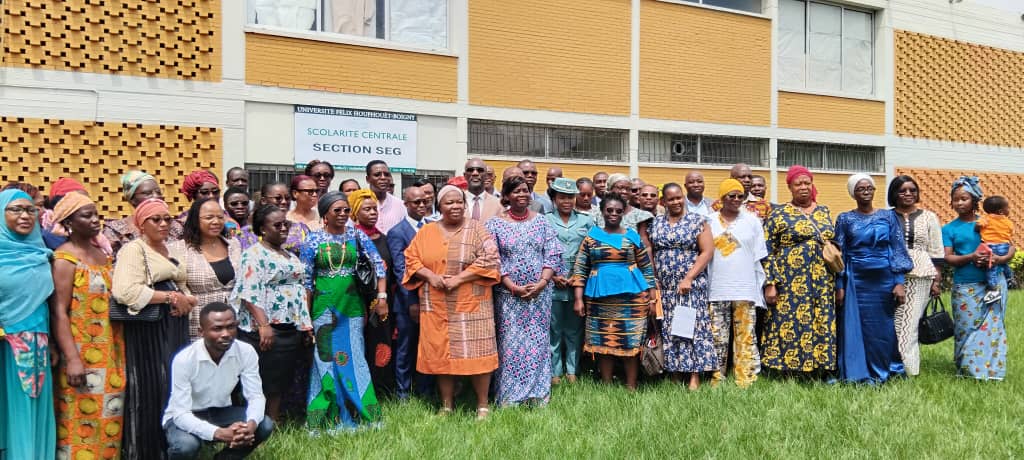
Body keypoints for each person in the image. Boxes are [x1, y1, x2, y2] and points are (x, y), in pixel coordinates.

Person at [402, 184, 501, 419]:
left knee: (478, 355)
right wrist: (431, 276)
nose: (455, 206)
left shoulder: (477, 229)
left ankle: (482, 405)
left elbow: (491, 259)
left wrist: (459, 278)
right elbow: (411, 259)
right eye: (449, 202)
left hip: (472, 305)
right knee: (441, 355)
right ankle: (447, 405)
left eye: (459, 202)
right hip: (436, 305)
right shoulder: (426, 232)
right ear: (439, 206)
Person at [111, 198, 195, 459]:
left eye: (167, 219)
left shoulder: (169, 249)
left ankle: (172, 447)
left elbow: (181, 285)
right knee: (152, 386)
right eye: (155, 219)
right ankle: (147, 451)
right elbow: (125, 291)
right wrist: (170, 298)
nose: (163, 224)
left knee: (172, 383)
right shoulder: (133, 250)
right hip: (149, 330)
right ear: (140, 224)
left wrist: (187, 300)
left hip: (173, 327)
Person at [48, 193, 127, 459]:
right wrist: (72, 358)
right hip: (81, 351)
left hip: (112, 351)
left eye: (96, 214)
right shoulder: (64, 259)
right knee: (79, 423)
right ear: (69, 222)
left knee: (109, 421)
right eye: (86, 215)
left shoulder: (102, 254)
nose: (95, 220)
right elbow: (59, 311)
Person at [300, 192, 388, 429]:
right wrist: (306, 318)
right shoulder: (313, 240)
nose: (343, 214)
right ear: (325, 214)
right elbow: (306, 282)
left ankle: (367, 414)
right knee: (326, 361)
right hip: (323, 309)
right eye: (337, 210)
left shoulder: (356, 235)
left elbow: (379, 266)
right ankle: (328, 417)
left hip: (352, 308)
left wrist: (382, 297)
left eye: (346, 210)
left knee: (355, 359)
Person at [163, 302, 274, 460]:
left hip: (220, 411)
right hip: (185, 416)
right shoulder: (185, 359)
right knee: (186, 446)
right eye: (217, 328)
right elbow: (180, 414)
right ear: (201, 332)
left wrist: (250, 425)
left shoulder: (245, 352)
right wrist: (219, 433)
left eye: (231, 327)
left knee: (264, 425)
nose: (226, 334)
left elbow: (255, 396)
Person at [231, 205, 312, 421]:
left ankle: (272, 422)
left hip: (289, 325)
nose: (284, 228)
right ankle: (256, 423)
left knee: (279, 379)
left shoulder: (288, 255)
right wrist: (264, 325)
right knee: (262, 379)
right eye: (277, 225)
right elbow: (248, 292)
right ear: (263, 229)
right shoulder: (253, 254)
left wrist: (305, 325)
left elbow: (298, 290)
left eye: (286, 224)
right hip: (264, 327)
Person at [486, 176, 562, 406]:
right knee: (510, 345)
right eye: (516, 191)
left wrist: (542, 283)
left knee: (538, 343)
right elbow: (493, 259)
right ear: (506, 196)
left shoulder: (542, 222)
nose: (522, 194)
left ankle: (537, 394)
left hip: (540, 296)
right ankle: (510, 396)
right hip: (509, 297)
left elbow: (553, 253)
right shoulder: (494, 224)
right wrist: (512, 287)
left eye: (526, 190)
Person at [571, 193, 657, 390]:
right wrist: (578, 299)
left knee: (630, 340)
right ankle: (607, 385)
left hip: (632, 298)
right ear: (602, 211)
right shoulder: (592, 237)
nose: (613, 214)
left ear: (623, 213)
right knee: (603, 342)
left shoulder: (632, 236)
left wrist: (652, 297)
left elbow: (646, 267)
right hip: (599, 299)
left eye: (618, 211)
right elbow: (580, 268)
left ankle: (631, 385)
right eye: (609, 210)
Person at [834, 174, 913, 384]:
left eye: (869, 187)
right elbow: (840, 253)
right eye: (861, 189)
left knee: (883, 328)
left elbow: (897, 249)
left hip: (884, 279)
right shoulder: (844, 219)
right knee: (857, 327)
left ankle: (885, 370)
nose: (866, 191)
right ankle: (859, 371)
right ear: (853, 193)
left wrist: (899, 282)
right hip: (855, 280)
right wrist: (840, 285)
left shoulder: (889, 217)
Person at [761, 166, 837, 376]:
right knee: (789, 322)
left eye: (807, 183)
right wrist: (771, 284)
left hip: (822, 280)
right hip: (790, 281)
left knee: (820, 319)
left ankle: (819, 368)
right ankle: (789, 369)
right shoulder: (779, 214)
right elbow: (767, 251)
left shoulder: (824, 211)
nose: (803, 187)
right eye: (798, 184)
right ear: (790, 187)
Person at [0, 189, 56, 459]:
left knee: (33, 407)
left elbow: (49, 303)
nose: (25, 216)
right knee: (10, 409)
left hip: (38, 343)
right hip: (6, 343)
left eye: (30, 210)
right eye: (16, 209)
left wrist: (53, 343)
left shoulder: (41, 254)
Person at [942, 176, 1012, 381]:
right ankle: (967, 371)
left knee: (994, 326)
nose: (959, 203)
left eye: (964, 198)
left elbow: (1010, 246)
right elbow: (948, 258)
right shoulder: (949, 229)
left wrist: (1000, 259)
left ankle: (993, 372)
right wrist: (971, 257)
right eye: (956, 199)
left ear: (974, 200)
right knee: (965, 328)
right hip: (965, 286)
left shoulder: (990, 221)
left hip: (994, 284)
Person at [649, 183, 716, 390]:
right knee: (671, 329)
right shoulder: (656, 223)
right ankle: (676, 372)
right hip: (666, 287)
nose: (676, 202)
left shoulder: (698, 221)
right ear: (664, 202)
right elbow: (651, 251)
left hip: (689, 285)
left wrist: (688, 278)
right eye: (671, 199)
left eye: (679, 197)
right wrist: (654, 278)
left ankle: (694, 375)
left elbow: (707, 251)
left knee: (691, 327)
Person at [707, 179, 767, 388]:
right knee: (717, 336)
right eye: (731, 196)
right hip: (716, 287)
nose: (736, 199)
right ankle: (716, 378)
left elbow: (759, 255)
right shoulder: (709, 221)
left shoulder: (752, 221)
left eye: (740, 196)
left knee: (746, 336)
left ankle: (745, 378)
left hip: (745, 287)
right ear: (722, 197)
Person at [889, 175, 944, 376]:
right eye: (902, 190)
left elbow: (936, 250)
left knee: (910, 323)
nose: (908, 194)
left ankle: (908, 370)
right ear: (894, 193)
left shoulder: (929, 217)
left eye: (912, 190)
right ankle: (889, 366)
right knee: (892, 322)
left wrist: (936, 280)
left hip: (920, 275)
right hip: (890, 274)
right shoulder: (885, 217)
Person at [170, 198, 242, 340]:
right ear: (195, 220)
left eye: (220, 217)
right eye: (209, 217)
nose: (216, 222)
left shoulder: (233, 244)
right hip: (199, 325)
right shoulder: (178, 249)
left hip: (233, 324)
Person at [386, 186, 434, 399]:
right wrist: (412, 301)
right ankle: (403, 392)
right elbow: (400, 270)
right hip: (408, 302)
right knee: (406, 347)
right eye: (416, 202)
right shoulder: (397, 232)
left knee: (428, 346)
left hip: (433, 298)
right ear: (405, 204)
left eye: (425, 201)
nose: (422, 205)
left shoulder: (433, 227)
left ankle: (426, 390)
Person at [349, 189, 397, 395]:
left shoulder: (385, 239)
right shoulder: (350, 239)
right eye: (366, 209)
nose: (372, 213)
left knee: (382, 343)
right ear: (354, 213)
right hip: (358, 300)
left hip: (383, 301)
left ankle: (382, 389)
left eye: (374, 209)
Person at [545, 178, 593, 385]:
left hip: (577, 284)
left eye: (570, 197)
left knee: (574, 329)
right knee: (553, 329)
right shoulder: (544, 220)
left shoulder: (586, 221)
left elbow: (591, 252)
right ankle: (554, 371)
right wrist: (553, 275)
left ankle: (572, 370)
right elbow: (540, 251)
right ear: (554, 199)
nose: (566, 201)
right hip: (551, 282)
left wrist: (578, 276)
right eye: (562, 197)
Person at [104, 170, 184, 256]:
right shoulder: (116, 231)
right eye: (147, 193)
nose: (156, 196)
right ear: (131, 199)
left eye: (158, 192)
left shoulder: (175, 227)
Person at [237, 182, 310, 255]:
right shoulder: (245, 234)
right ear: (263, 201)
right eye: (278, 198)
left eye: (287, 198)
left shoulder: (301, 229)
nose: (284, 202)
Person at [593, 174, 654, 251]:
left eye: (628, 189)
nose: (624, 192)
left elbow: (645, 246)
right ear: (610, 189)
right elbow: (590, 241)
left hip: (630, 257)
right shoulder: (596, 213)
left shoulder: (641, 216)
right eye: (620, 188)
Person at [976, 195, 1013, 303]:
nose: (1009, 209)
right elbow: (1010, 232)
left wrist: (978, 229)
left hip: (992, 246)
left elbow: (978, 226)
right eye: (1008, 208)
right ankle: (1009, 278)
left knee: (991, 267)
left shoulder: (986, 218)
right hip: (1005, 246)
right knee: (1004, 263)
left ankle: (993, 289)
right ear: (1001, 211)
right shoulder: (1008, 222)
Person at [366, 160, 406, 233]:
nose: (383, 178)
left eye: (386, 174)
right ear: (368, 179)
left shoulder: (401, 205)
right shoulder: (359, 204)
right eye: (377, 175)